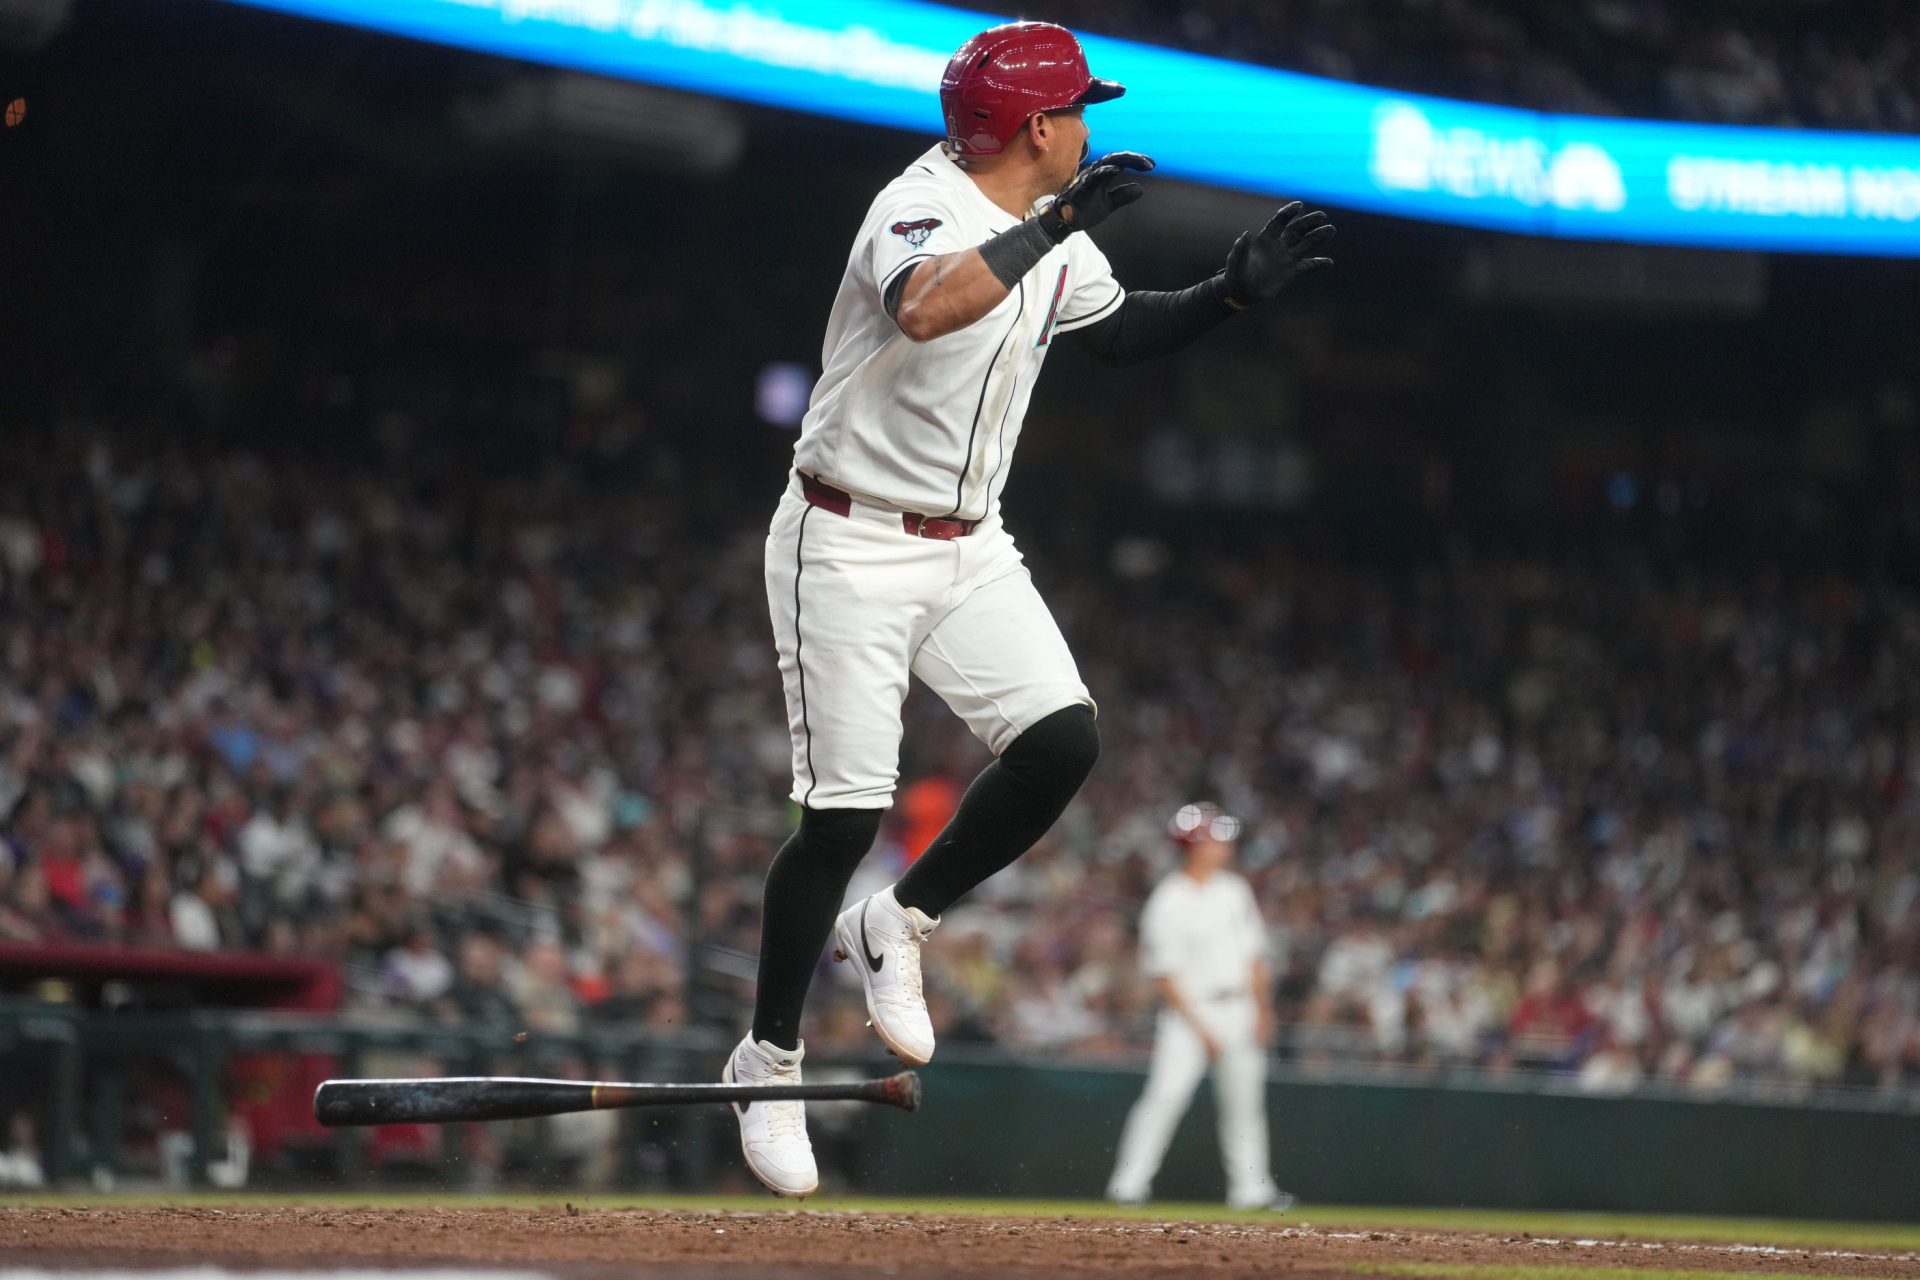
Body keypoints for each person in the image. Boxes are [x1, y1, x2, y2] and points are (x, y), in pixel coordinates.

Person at [723, 19, 1336, 1197]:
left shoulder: (1052, 229)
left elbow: (1118, 331)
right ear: (1039, 127)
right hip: (846, 536)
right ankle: (769, 1059)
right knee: (843, 816)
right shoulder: (919, 203)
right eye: (1079, 108)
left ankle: (898, 921)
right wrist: (1053, 225)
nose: (1091, 126)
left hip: (968, 541)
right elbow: (925, 307)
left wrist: (1227, 295)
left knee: (1062, 739)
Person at [1105, 803, 1292, 1210]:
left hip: (1239, 1007)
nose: (1224, 845)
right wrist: (1202, 1027)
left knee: (1244, 1107)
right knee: (1165, 1097)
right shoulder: (1169, 899)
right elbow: (1164, 975)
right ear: (1193, 845)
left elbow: (1255, 957)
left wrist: (1262, 1009)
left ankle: (1252, 1190)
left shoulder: (1234, 890)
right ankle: (1128, 1184)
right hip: (1189, 1013)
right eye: (1214, 838)